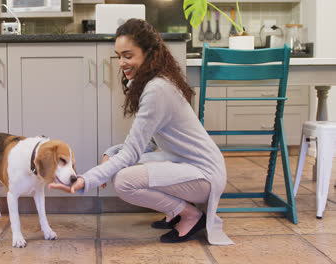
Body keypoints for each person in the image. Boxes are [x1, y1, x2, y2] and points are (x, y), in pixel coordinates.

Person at [50, 18, 233, 245]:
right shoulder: (155, 83)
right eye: (119, 56)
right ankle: (179, 210)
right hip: (190, 165)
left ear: (149, 54)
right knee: (120, 166)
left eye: (128, 55)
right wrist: (112, 153)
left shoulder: (157, 90)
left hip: (204, 174)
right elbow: (146, 143)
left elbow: (132, 152)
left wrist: (87, 180)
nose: (121, 62)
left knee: (125, 180)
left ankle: (189, 214)